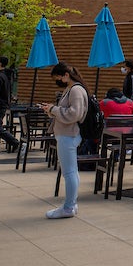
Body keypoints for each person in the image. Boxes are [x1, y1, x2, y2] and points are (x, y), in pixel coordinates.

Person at [37, 61, 87, 219]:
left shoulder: (75, 90)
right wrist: (52, 110)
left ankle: (68, 207)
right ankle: (71, 204)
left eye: (58, 77)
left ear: (66, 75)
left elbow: (74, 114)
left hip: (69, 135)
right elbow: (70, 112)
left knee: (69, 172)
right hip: (67, 134)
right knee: (72, 172)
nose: (57, 81)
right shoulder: (73, 89)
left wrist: (53, 109)